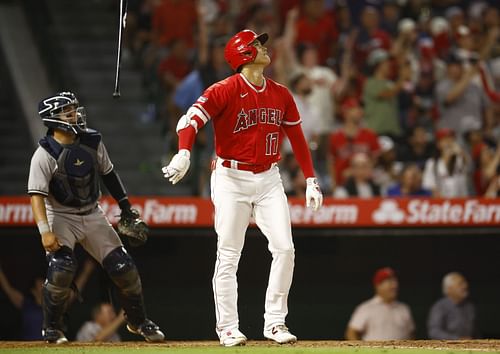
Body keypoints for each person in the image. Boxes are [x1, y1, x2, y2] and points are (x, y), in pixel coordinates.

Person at [162, 30, 323, 346]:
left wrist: (310, 179)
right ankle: (227, 327)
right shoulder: (225, 89)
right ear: (243, 54)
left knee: (285, 249)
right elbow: (190, 119)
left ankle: (275, 323)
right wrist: (183, 152)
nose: (263, 47)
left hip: (268, 177)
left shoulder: (281, 93)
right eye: (257, 44)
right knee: (229, 253)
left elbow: (298, 139)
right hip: (230, 179)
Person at [28, 92, 164, 344]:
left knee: (124, 268)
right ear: (53, 119)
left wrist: (126, 208)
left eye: (74, 109)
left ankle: (138, 321)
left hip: (92, 212)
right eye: (67, 112)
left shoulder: (91, 141)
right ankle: (53, 328)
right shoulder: (44, 154)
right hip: (60, 214)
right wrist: (44, 230)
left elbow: (109, 174)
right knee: (61, 269)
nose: (75, 114)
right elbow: (37, 195)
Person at [0, 259, 95, 340]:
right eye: (40, 286)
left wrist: (86, 272)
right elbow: (8, 288)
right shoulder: (25, 303)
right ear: (33, 290)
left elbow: (73, 293)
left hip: (49, 348)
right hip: (27, 347)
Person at [345, 267, 415, 340]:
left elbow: (411, 335)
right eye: (389, 281)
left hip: (401, 351)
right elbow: (351, 333)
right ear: (378, 285)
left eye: (395, 281)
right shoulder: (366, 308)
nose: (395, 285)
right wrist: (361, 350)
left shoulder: (404, 308)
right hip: (375, 351)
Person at [427, 272, 478, 339]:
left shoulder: (469, 306)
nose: (465, 286)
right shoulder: (440, 307)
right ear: (449, 289)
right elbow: (434, 332)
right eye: (460, 284)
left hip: (469, 346)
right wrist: (457, 339)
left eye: (464, 283)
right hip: (447, 347)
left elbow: (475, 331)